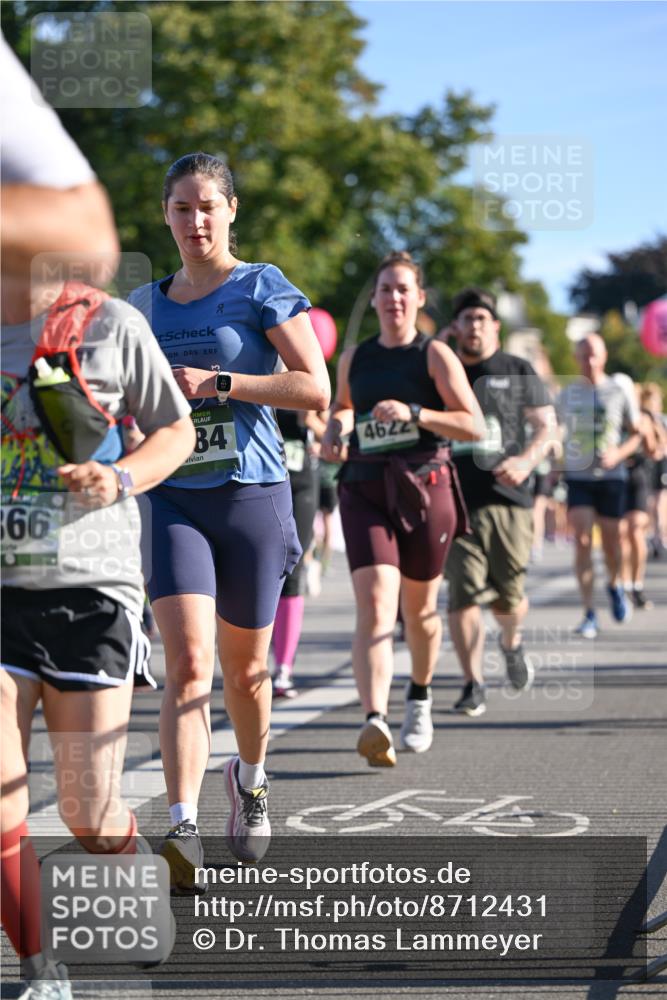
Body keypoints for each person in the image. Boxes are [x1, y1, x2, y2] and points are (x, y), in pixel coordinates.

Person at [128, 152, 330, 883]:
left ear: (230, 211)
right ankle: (181, 825)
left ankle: (248, 778)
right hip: (172, 496)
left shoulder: (261, 285)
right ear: (166, 216)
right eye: (181, 208)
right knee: (186, 664)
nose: (195, 221)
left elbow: (314, 388)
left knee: (245, 675)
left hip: (250, 493)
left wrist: (221, 383)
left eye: (207, 206)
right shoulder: (142, 305)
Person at [322, 251, 480, 767]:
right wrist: (336, 427)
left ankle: (419, 696)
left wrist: (416, 412)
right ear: (373, 299)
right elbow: (344, 405)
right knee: (375, 605)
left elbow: (473, 424)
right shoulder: (355, 357)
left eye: (402, 289)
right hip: (365, 485)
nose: (393, 297)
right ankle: (375, 719)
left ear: (419, 298)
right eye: (385, 289)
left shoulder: (434, 354)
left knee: (420, 612)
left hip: (425, 487)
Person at [440, 288, 555, 717]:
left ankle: (511, 642)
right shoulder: (442, 369)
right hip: (456, 499)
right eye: (466, 319)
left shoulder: (516, 368)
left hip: (509, 498)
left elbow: (546, 427)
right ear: (456, 327)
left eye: (481, 319)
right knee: (463, 594)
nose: (474, 326)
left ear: (495, 327)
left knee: (509, 598)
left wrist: (525, 462)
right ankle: (473, 682)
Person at [557, 334, 641, 638]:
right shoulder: (567, 394)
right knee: (581, 541)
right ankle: (589, 612)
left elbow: (637, 433)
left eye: (594, 355)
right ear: (576, 358)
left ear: (604, 357)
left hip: (611, 477)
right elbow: (555, 431)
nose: (589, 361)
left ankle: (615, 585)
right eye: (583, 355)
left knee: (611, 543)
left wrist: (618, 453)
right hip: (578, 476)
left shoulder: (619, 390)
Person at [271, 408, 321, 698]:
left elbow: (330, 432)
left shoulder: (307, 382)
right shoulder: (251, 378)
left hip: (300, 480)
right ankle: (250, 661)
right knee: (253, 572)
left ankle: (283, 668)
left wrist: (310, 421)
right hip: (259, 478)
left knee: (292, 569)